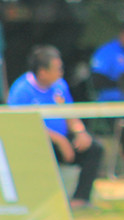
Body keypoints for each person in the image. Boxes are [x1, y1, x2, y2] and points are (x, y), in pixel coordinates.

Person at [7, 45, 106, 210]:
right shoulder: (21, 90)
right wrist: (59, 140)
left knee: (94, 148)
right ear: (43, 72)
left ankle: (80, 200)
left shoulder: (60, 86)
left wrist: (80, 132)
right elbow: (22, 126)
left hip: (63, 142)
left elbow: (69, 113)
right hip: (35, 144)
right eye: (57, 69)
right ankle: (41, 202)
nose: (61, 73)